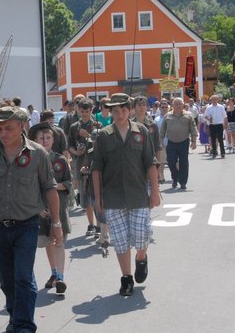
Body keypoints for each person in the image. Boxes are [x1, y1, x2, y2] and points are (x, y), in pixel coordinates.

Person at [0, 106, 60, 333]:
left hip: (27, 225)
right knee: (6, 278)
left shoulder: (38, 154)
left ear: (22, 126)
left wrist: (57, 223)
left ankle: (25, 327)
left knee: (22, 275)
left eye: (9, 127)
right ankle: (14, 314)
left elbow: (49, 188)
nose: (3, 132)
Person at [91, 93, 160, 297]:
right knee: (120, 241)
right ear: (110, 112)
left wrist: (155, 191)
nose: (119, 114)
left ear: (129, 109)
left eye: (123, 110)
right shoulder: (103, 135)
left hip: (138, 193)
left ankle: (141, 258)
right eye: (115, 110)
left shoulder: (142, 131)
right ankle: (126, 278)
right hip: (112, 197)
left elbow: (150, 162)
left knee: (142, 235)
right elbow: (96, 169)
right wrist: (98, 198)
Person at [29, 122, 72, 294]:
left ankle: (61, 277)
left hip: (59, 208)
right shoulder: (32, 160)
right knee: (48, 242)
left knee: (59, 241)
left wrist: (55, 186)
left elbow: (69, 183)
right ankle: (54, 272)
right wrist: (37, 207)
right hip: (41, 210)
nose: (45, 141)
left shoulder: (60, 160)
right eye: (41, 138)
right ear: (35, 140)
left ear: (53, 140)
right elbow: (30, 188)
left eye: (48, 138)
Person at [68, 99, 98, 235]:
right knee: (85, 197)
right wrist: (76, 152)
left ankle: (99, 224)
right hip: (80, 164)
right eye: (83, 111)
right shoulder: (74, 126)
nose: (85, 114)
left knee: (96, 196)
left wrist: (89, 136)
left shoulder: (97, 125)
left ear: (91, 110)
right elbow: (69, 145)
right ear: (79, 111)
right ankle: (91, 224)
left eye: (87, 111)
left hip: (95, 165)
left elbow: (102, 145)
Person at [160, 98, 198, 189]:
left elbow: (193, 128)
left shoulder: (188, 115)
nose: (178, 106)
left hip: (184, 142)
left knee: (184, 162)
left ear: (183, 105)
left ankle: (183, 182)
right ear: (172, 106)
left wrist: (194, 141)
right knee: (171, 162)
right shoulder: (167, 116)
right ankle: (175, 178)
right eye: (176, 104)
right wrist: (160, 142)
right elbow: (162, 131)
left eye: (179, 104)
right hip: (171, 142)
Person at [154, 99, 170, 182]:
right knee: (162, 161)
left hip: (172, 142)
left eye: (166, 107)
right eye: (162, 107)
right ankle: (161, 177)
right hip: (161, 142)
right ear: (159, 108)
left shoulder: (172, 117)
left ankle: (176, 176)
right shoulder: (156, 119)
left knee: (174, 161)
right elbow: (155, 132)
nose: (164, 108)